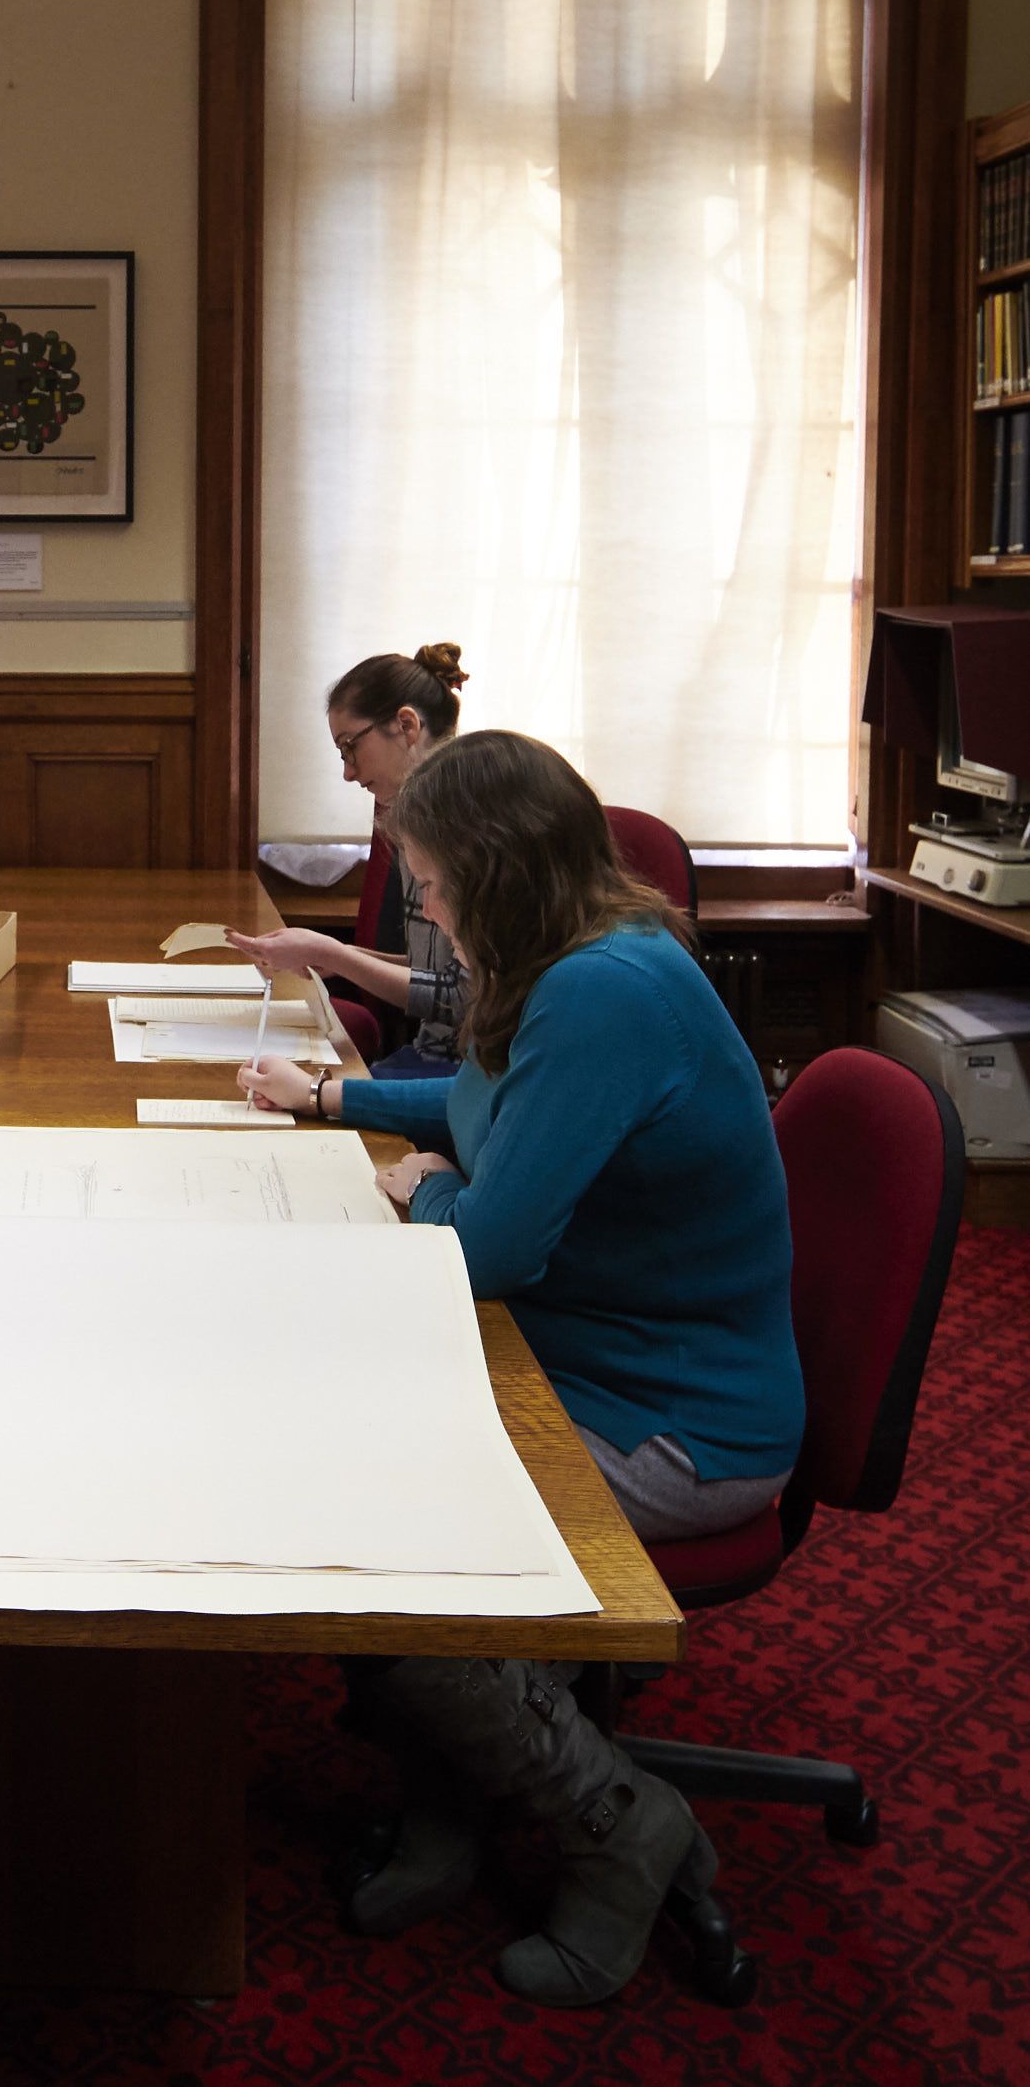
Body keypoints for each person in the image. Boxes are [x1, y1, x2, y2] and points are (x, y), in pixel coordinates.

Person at [236, 729, 803, 2007]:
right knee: (335, 1451)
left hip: (671, 1423)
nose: (421, 907)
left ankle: (617, 1822)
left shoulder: (605, 992)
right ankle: (458, 1798)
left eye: (429, 883)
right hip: (578, 1352)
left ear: (490, 874)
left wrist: (432, 1196)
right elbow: (488, 1109)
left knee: (381, 1536)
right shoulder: (558, 963)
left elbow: (481, 1253)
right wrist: (338, 1107)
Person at [228, 643, 472, 1080]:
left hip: (467, 1074)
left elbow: (466, 998)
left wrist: (336, 955)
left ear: (406, 725)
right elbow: (433, 974)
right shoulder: (420, 815)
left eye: (349, 748)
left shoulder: (473, 824)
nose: (348, 772)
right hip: (432, 1059)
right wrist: (338, 955)